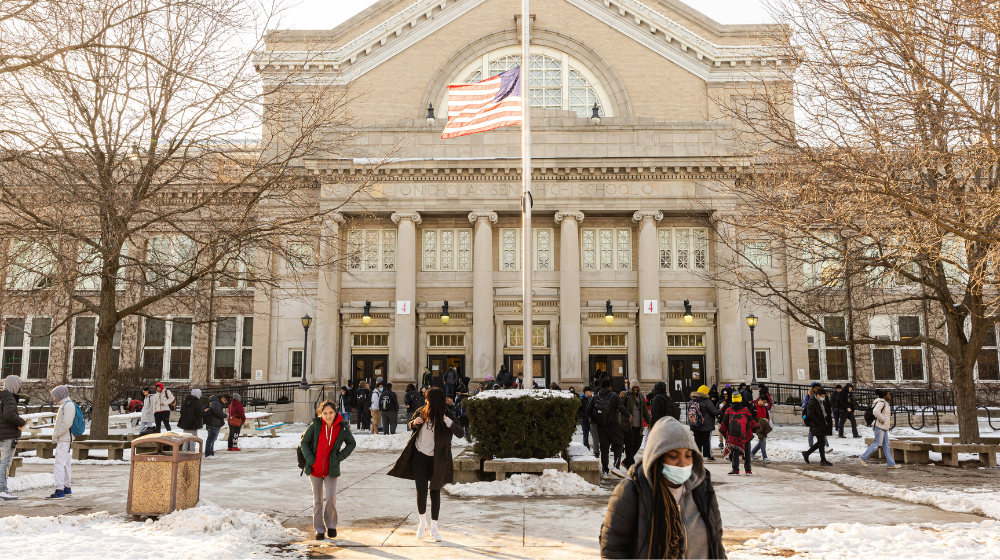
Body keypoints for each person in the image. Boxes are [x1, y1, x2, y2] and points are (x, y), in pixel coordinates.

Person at [600, 418, 726, 559]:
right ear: (657, 458)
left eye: (688, 455)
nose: (683, 463)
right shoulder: (632, 491)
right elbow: (613, 550)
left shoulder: (702, 488)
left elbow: (716, 538)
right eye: (673, 456)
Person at [388, 387, 464, 542]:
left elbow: (460, 432)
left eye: (428, 399)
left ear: (435, 400)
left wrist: (445, 419)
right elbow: (411, 425)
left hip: (438, 459)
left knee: (435, 491)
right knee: (421, 490)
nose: (426, 401)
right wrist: (413, 423)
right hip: (419, 456)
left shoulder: (448, 414)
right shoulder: (422, 411)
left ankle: (434, 528)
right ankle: (422, 523)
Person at [300, 399, 357, 541]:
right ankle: (319, 529)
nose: (328, 416)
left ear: (335, 412)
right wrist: (311, 460)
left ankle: (331, 525)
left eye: (331, 413)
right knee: (318, 501)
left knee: (331, 498)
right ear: (321, 414)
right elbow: (304, 442)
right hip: (315, 470)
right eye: (325, 413)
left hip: (331, 469)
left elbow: (351, 443)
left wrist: (339, 457)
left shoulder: (342, 427)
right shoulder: (315, 425)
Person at [587, 377, 630, 479]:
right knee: (619, 444)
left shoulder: (596, 396)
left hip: (601, 426)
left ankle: (605, 471)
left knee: (604, 448)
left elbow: (588, 411)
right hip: (613, 424)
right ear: (610, 386)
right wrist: (629, 416)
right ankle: (616, 466)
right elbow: (621, 408)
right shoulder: (615, 396)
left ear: (600, 387)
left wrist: (596, 419)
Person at [47, 385, 76, 500]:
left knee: (59, 464)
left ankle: (60, 490)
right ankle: (66, 487)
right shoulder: (66, 405)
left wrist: (57, 434)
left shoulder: (67, 405)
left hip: (64, 439)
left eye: (55, 396)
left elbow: (66, 423)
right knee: (65, 463)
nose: (54, 399)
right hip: (65, 438)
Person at [0, 376, 26, 500]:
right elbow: (9, 414)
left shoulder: (2, 397)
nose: (19, 388)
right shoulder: (9, 398)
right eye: (19, 385)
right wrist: (21, 422)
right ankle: (2, 490)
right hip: (7, 436)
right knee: (4, 464)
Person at [860, 389, 900, 468]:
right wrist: (883, 419)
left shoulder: (885, 403)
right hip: (879, 426)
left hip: (883, 427)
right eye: (889, 395)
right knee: (877, 444)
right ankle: (863, 457)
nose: (890, 396)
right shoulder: (881, 403)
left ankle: (891, 463)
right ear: (884, 396)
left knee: (886, 445)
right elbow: (875, 411)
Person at [719, 393, 757, 475]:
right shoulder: (745, 410)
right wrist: (755, 428)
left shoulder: (729, 410)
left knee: (735, 452)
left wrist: (726, 435)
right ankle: (748, 470)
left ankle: (735, 469)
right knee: (747, 451)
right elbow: (752, 422)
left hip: (733, 435)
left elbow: (724, 425)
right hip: (745, 434)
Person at [621, 380, 651, 470]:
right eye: (634, 387)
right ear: (631, 387)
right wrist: (621, 397)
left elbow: (645, 411)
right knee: (629, 446)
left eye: (637, 387)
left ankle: (625, 461)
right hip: (629, 425)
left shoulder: (641, 397)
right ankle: (631, 466)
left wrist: (649, 422)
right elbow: (621, 406)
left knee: (637, 444)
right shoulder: (627, 395)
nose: (635, 389)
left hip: (639, 425)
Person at [802, 387, 834, 466]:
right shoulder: (812, 402)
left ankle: (807, 453)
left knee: (821, 441)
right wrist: (818, 422)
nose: (823, 398)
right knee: (821, 441)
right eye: (822, 396)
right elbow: (810, 414)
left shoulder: (823, 402)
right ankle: (822, 459)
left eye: (824, 396)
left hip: (823, 424)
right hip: (817, 424)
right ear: (818, 395)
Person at [688, 385, 719, 461]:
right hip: (706, 424)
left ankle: (696, 456)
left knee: (697, 440)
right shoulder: (707, 401)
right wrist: (721, 410)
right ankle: (708, 455)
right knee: (706, 441)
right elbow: (714, 412)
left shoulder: (692, 401)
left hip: (695, 424)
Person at [750, 392, 772, 463]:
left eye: (766, 402)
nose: (764, 404)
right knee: (763, 441)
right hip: (758, 427)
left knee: (761, 442)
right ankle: (765, 457)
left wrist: (767, 420)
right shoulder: (754, 407)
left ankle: (752, 453)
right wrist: (754, 426)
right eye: (764, 402)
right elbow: (751, 418)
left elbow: (767, 416)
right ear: (760, 400)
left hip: (764, 427)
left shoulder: (765, 408)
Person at [203, 394, 227, 459]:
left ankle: (210, 453)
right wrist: (225, 415)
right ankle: (208, 454)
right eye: (225, 401)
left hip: (213, 423)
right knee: (211, 439)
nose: (225, 403)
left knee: (212, 439)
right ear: (223, 398)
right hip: (213, 424)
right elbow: (217, 413)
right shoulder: (216, 403)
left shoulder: (215, 403)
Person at [579, 386, 595, 451]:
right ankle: (586, 448)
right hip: (585, 420)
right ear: (586, 392)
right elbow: (578, 410)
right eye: (590, 391)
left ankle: (595, 448)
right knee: (585, 435)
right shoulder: (581, 399)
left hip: (591, 420)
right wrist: (584, 415)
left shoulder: (592, 398)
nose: (591, 393)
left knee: (594, 435)